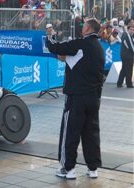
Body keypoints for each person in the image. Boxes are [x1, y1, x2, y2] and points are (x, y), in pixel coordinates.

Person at [46, 18, 104, 179]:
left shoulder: (80, 44)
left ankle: (68, 169)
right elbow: (70, 58)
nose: (81, 27)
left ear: (88, 29)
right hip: (94, 99)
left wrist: (50, 35)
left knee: (70, 132)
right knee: (91, 133)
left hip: (77, 98)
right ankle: (93, 168)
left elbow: (55, 47)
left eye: (84, 26)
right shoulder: (99, 48)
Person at [117, 20, 134, 88]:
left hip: (125, 55)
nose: (132, 30)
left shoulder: (126, 34)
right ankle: (129, 84)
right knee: (129, 69)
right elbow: (131, 46)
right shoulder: (127, 35)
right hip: (127, 55)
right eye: (131, 29)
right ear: (128, 28)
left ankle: (119, 82)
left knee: (124, 69)